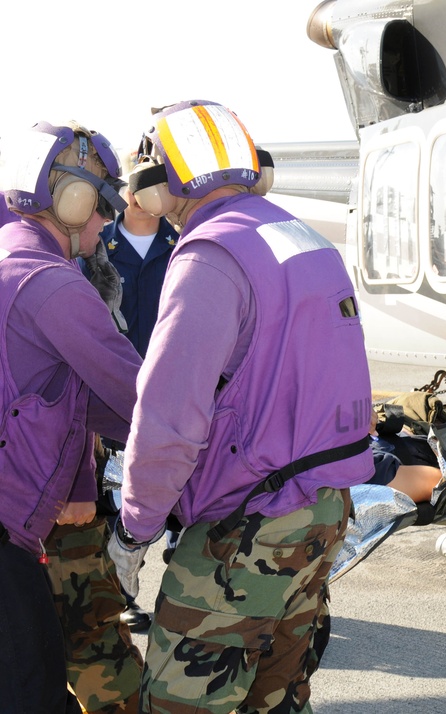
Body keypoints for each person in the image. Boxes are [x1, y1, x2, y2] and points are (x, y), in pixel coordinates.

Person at [111, 100, 375, 713]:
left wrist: (134, 530)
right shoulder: (302, 237)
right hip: (321, 508)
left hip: (249, 524)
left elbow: (169, 416)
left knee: (183, 703)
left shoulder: (209, 256)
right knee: (276, 697)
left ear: (163, 181)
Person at [0, 122, 143, 714]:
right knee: (32, 692)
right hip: (7, 535)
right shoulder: (54, 285)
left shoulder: (12, 259)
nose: (107, 222)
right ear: (72, 200)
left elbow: (81, 399)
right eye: (103, 203)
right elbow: (145, 398)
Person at [90, 177, 179, 628]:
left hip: (175, 393)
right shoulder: (95, 243)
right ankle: (120, 596)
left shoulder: (183, 242)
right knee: (114, 502)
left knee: (181, 498)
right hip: (113, 394)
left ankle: (185, 595)